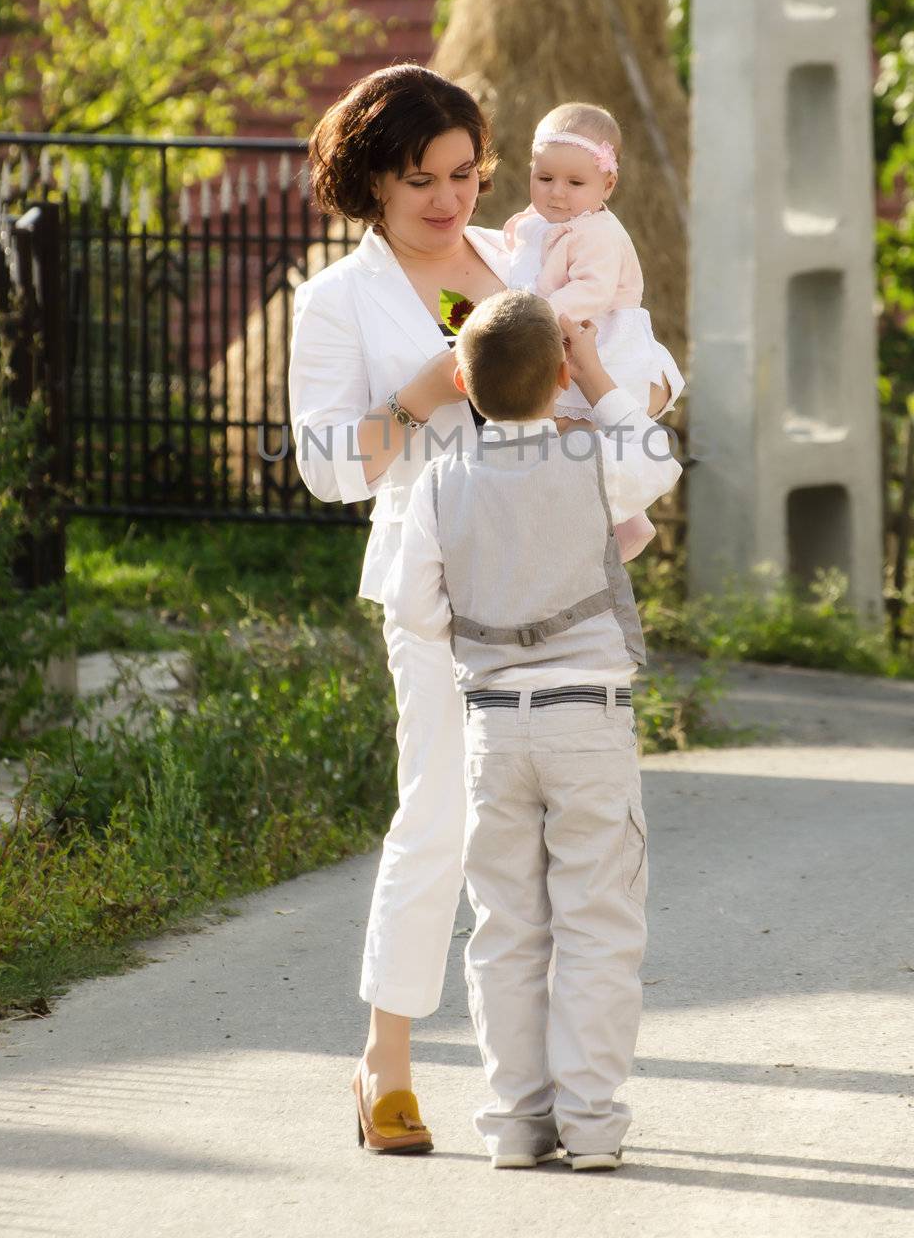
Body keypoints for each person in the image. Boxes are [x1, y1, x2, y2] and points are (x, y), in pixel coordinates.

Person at [287, 63, 680, 1154]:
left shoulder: (523, 252)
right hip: (434, 586)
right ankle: (388, 1062)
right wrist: (428, 386)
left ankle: (550, 1095)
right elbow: (327, 466)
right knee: (442, 814)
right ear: (370, 180)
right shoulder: (335, 301)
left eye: (465, 173)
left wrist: (635, 394)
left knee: (561, 852)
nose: (449, 198)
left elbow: (636, 349)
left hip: (556, 577)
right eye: (421, 178)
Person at [381, 290, 682, 1169]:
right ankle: (591, 1123)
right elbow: (656, 458)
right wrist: (596, 369)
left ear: (464, 382)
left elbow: (412, 606)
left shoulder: (441, 480)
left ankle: (515, 1123)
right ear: (558, 376)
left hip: (492, 731)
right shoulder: (593, 460)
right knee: (596, 921)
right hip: (586, 722)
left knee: (507, 926)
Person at [503, 100, 684, 561]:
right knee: (573, 439)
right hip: (567, 336)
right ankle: (627, 522)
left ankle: (626, 522)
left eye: (575, 182)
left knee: (593, 431)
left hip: (603, 341)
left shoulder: (598, 232)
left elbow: (593, 290)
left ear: (608, 183)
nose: (557, 193)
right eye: (545, 179)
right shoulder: (539, 224)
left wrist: (533, 314)